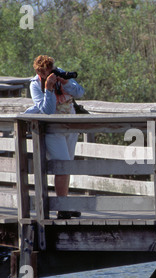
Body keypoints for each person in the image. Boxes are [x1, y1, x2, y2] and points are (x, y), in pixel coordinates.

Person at [25, 55, 85, 219]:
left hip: (70, 127)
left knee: (67, 166)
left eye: (51, 70)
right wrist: (49, 88)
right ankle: (61, 207)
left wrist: (66, 83)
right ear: (40, 72)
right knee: (62, 165)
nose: (50, 74)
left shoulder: (61, 75)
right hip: (52, 129)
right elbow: (47, 111)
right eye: (46, 72)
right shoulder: (35, 85)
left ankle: (63, 205)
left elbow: (80, 92)